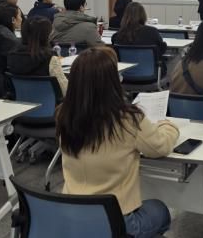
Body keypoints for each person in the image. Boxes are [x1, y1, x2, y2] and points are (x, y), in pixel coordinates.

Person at [56, 47, 179, 238]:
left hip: (72, 215)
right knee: (160, 210)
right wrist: (168, 126)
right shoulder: (127, 119)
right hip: (117, 222)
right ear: (112, 81)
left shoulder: (63, 115)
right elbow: (160, 147)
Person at [7, 16, 67, 95]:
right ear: (46, 35)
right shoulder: (50, 58)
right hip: (49, 101)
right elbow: (65, 90)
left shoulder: (12, 55)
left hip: (20, 101)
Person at [112, 3, 167, 69]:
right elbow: (161, 49)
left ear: (125, 16)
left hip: (125, 72)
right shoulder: (152, 32)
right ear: (143, 15)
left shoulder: (117, 36)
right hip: (150, 72)